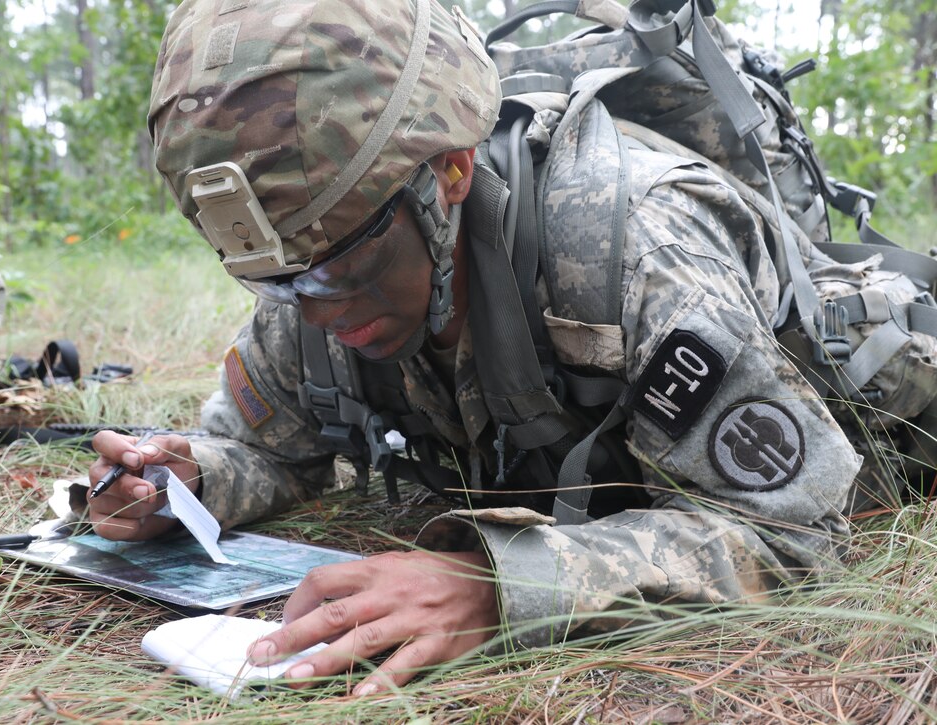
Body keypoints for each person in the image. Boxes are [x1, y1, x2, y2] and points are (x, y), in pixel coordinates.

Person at [86, 0, 859, 696]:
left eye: (336, 266)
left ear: (449, 172)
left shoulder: (633, 250)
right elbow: (269, 447)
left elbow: (794, 528)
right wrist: (184, 481)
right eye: (272, 279)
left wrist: (497, 584)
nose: (312, 312)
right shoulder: (321, 263)